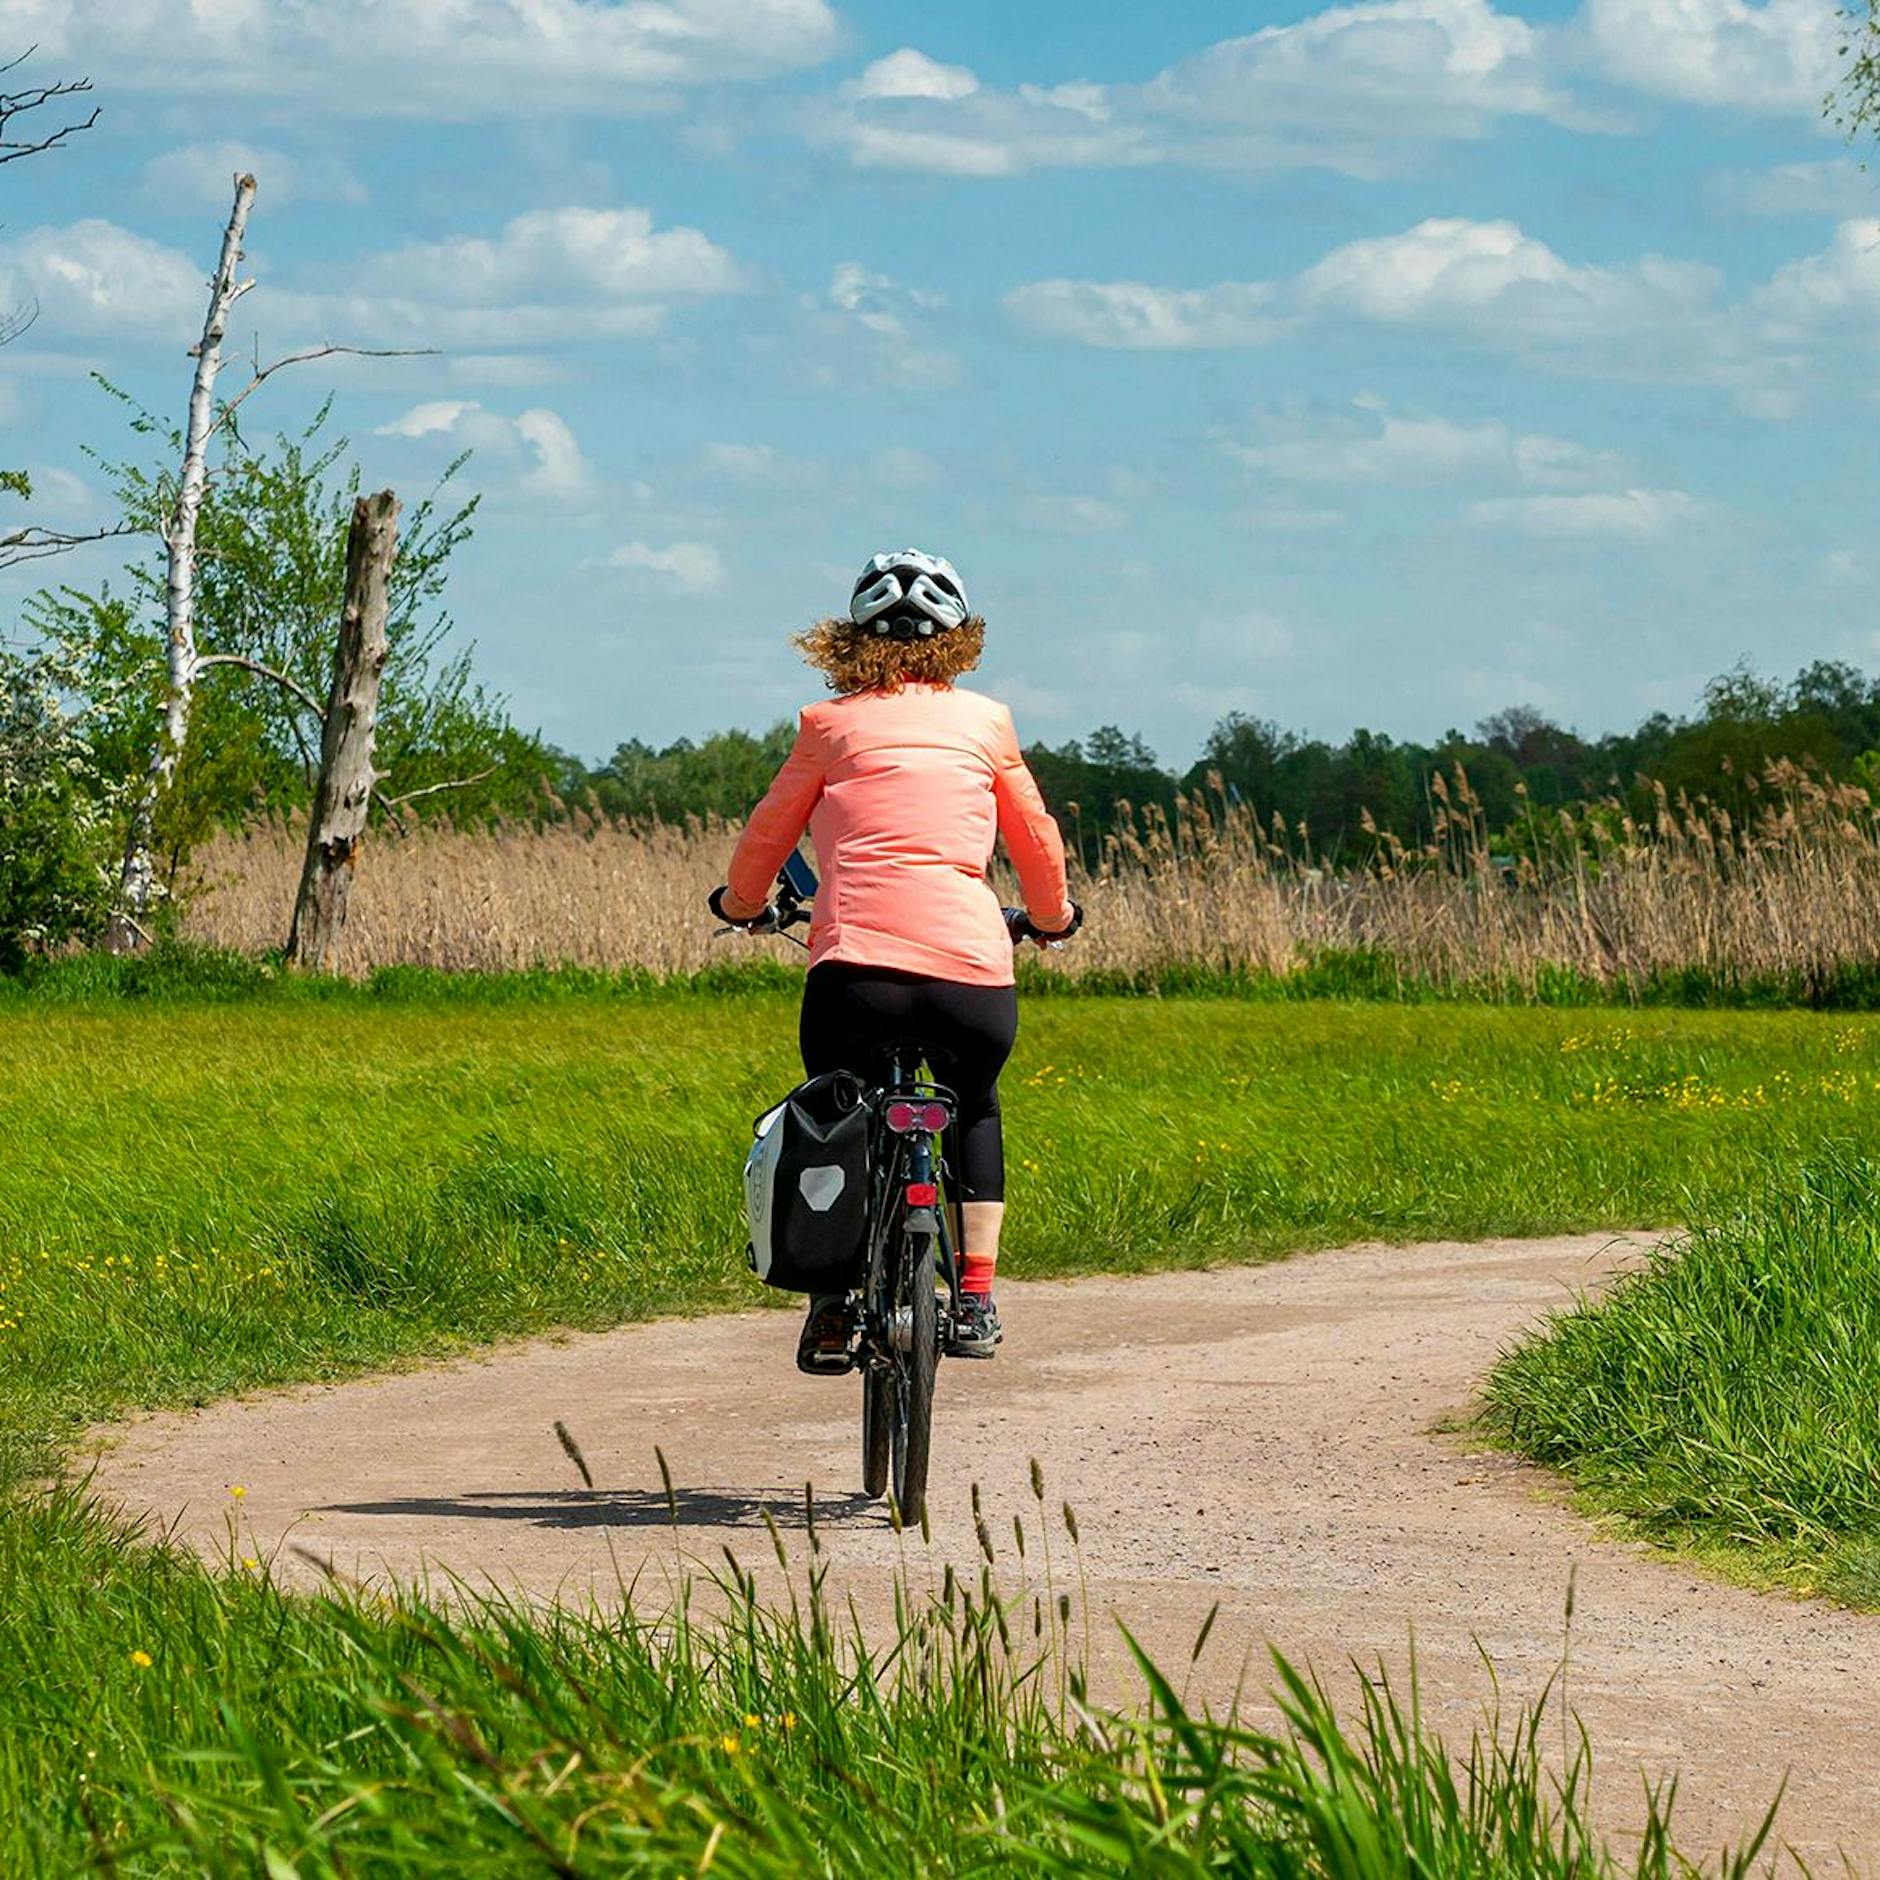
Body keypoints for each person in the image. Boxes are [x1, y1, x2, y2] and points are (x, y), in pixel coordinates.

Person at [710, 549, 1081, 1369]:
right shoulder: (987, 724)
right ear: (959, 640)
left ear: (850, 640)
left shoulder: (827, 724)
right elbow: (1036, 840)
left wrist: (740, 905)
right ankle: (976, 1297)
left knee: (834, 1110)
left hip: (856, 977)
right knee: (974, 1106)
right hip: (970, 979)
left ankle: (834, 1307)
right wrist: (1051, 921)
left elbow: (769, 834)